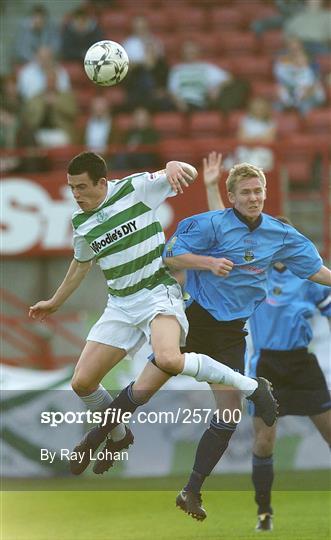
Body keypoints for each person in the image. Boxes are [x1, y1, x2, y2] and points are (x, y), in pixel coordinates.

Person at [76, 150, 329, 504]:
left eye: (258, 191)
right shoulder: (209, 223)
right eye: (246, 192)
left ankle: (191, 491)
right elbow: (170, 255)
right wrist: (208, 263)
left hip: (231, 332)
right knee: (143, 390)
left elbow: (316, 271)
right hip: (193, 319)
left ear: (266, 192)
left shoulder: (281, 235)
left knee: (228, 415)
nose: (253, 197)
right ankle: (94, 440)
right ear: (232, 197)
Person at [29, 151, 275, 476]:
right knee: (82, 382)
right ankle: (118, 437)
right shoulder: (81, 222)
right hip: (119, 305)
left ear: (102, 183)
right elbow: (81, 263)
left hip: (158, 294)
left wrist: (176, 165)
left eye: (81, 187)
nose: (76, 194)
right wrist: (56, 301)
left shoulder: (135, 188)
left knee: (170, 359)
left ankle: (251, 386)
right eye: (72, 187)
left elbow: (187, 171)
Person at [202, 153, 331, 530]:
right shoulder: (252, 274)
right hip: (266, 366)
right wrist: (212, 187)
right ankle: (264, 512)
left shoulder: (307, 278)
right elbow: (223, 235)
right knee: (265, 442)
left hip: (301, 362)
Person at [273, 36, 326, 115]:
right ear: (287, 47)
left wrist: (309, 89)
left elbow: (314, 83)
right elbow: (282, 83)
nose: (295, 49)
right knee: (276, 106)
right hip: (292, 96)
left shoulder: (311, 64)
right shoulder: (282, 65)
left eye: (297, 46)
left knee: (305, 106)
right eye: (291, 46)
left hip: (310, 96)